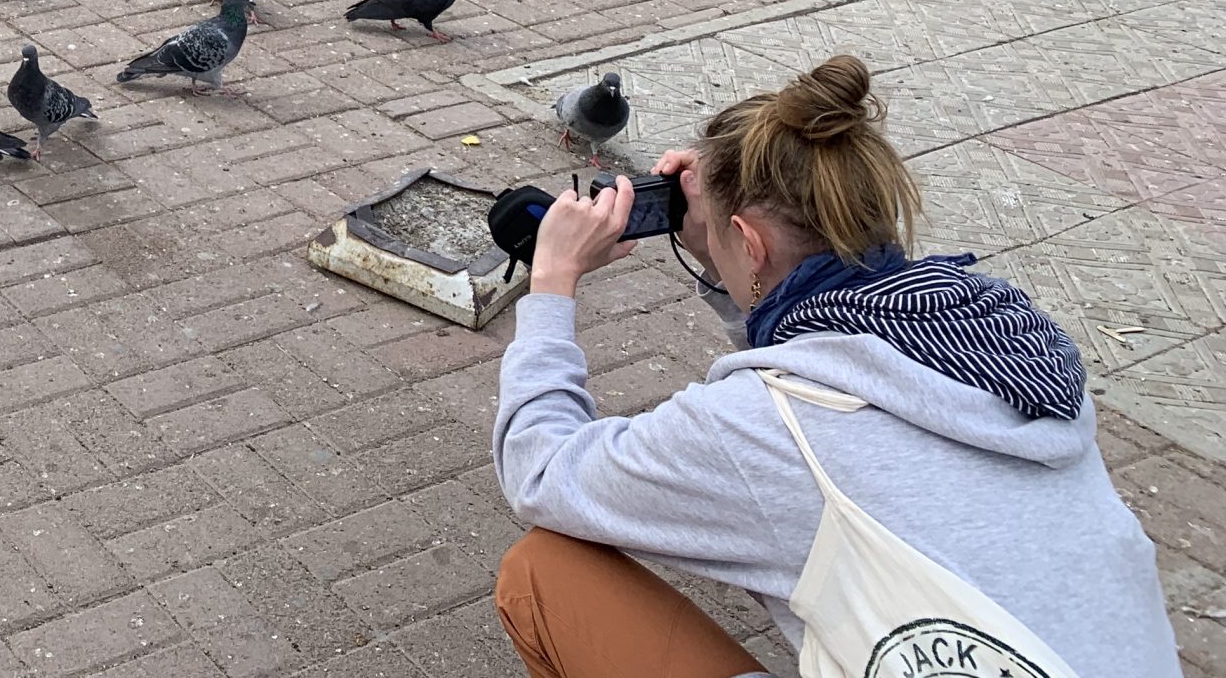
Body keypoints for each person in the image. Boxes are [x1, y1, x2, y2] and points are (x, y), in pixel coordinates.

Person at [494, 54, 1176, 678]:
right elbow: (817, 344)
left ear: (750, 244)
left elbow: (542, 472)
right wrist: (724, 256)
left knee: (543, 573)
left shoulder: (761, 427)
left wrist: (552, 281)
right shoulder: (1007, 341)